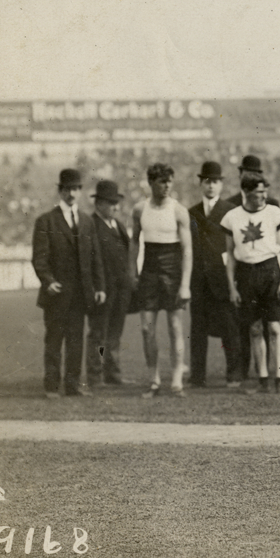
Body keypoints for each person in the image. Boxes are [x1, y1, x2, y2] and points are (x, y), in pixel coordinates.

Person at [32, 168, 105, 398]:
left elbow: (96, 258)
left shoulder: (86, 221)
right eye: (67, 189)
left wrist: (100, 286)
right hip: (57, 293)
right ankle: (52, 386)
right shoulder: (46, 221)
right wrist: (48, 281)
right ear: (60, 191)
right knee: (54, 340)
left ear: (80, 192)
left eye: (75, 189)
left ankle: (73, 385)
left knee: (76, 342)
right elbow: (39, 258)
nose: (71, 193)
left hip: (80, 294)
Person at [221, 172, 280, 393]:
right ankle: (262, 380)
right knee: (254, 328)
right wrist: (232, 286)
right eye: (259, 191)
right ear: (247, 192)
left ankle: (279, 378)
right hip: (246, 273)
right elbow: (230, 255)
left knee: (274, 326)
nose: (264, 195)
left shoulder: (274, 213)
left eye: (265, 191)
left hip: (270, 270)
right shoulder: (232, 217)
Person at [130, 163, 192, 398]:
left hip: (173, 271)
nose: (167, 186)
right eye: (161, 182)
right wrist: (132, 272)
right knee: (147, 328)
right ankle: (153, 379)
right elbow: (135, 242)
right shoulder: (139, 210)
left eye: (169, 182)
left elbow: (187, 250)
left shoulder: (178, 211)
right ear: (151, 183)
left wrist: (185, 284)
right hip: (149, 271)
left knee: (175, 327)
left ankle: (176, 380)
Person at [188, 161, 243, 389]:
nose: (211, 186)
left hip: (223, 279)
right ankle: (197, 377)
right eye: (207, 181)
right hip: (199, 280)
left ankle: (234, 375)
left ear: (221, 184)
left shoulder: (230, 210)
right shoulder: (191, 212)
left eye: (216, 182)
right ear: (201, 184)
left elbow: (237, 247)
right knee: (197, 330)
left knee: (230, 329)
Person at [225, 154, 280, 378]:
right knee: (246, 324)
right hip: (243, 270)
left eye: (256, 174)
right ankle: (243, 369)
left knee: (269, 324)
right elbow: (227, 248)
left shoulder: (272, 204)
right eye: (247, 173)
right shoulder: (229, 205)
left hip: (267, 270)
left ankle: (266, 371)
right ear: (240, 175)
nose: (251, 177)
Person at [86, 180, 131, 387]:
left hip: (120, 290)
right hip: (103, 290)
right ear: (99, 204)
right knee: (99, 335)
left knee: (114, 334)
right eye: (111, 203)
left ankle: (112, 373)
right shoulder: (91, 226)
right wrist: (98, 287)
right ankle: (95, 375)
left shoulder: (118, 225)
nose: (116, 207)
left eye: (116, 203)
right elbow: (90, 262)